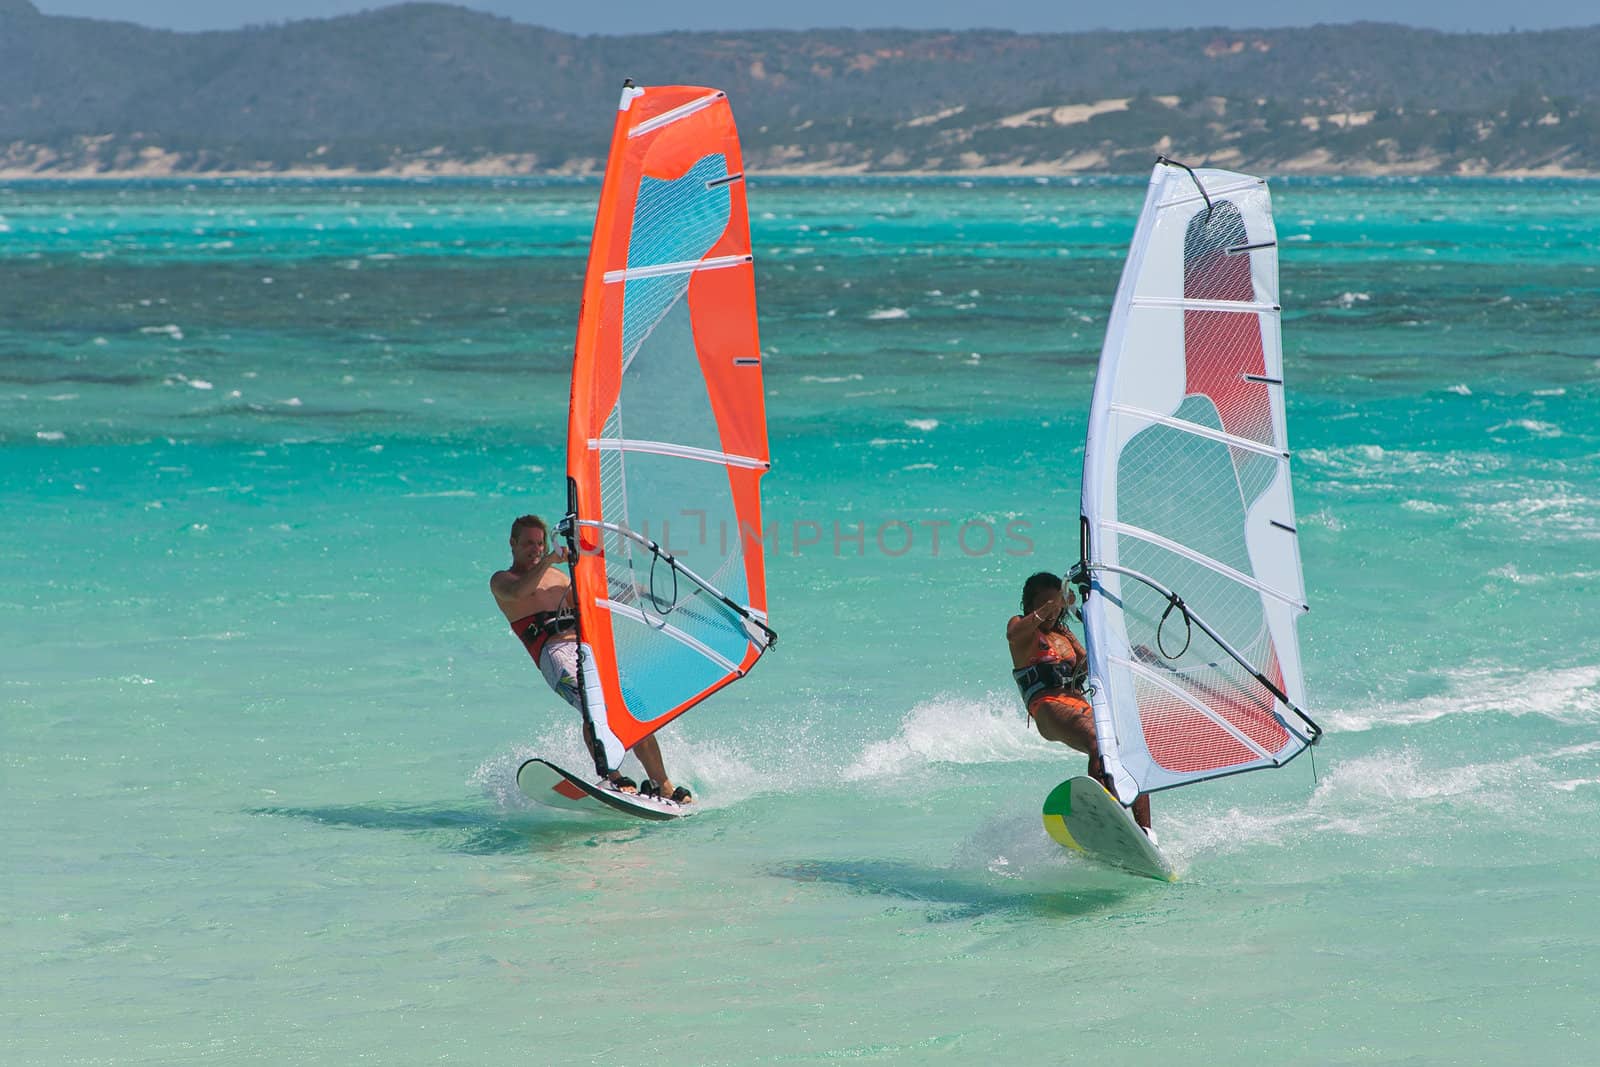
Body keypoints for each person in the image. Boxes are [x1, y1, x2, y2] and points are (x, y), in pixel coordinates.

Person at [490, 514, 692, 803]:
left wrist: (628, 594)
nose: (535, 549)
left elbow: (591, 606)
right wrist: (549, 559)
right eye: (528, 544)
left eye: (540, 543)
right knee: (593, 707)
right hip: (555, 654)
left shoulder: (559, 577)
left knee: (630, 708)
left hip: (586, 649)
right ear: (512, 544)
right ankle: (612, 777)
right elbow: (521, 592)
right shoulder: (502, 580)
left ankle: (664, 784)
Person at [1007, 571, 1150, 833]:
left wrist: (1132, 655)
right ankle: (1099, 820)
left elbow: (1094, 665)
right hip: (1047, 706)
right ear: (1029, 606)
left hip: (1077, 703)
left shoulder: (1064, 634)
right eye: (1043, 605)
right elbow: (1013, 634)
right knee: (1098, 740)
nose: (1051, 614)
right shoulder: (1021, 628)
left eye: (1055, 606)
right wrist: (1052, 605)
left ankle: (1145, 832)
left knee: (1125, 749)